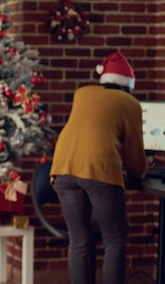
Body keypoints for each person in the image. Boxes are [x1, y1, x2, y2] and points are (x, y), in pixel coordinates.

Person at [50, 52, 153, 284]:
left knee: (78, 241)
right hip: (99, 170)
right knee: (114, 238)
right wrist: (144, 169)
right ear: (128, 85)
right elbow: (135, 162)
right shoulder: (131, 104)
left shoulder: (82, 93)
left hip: (63, 168)